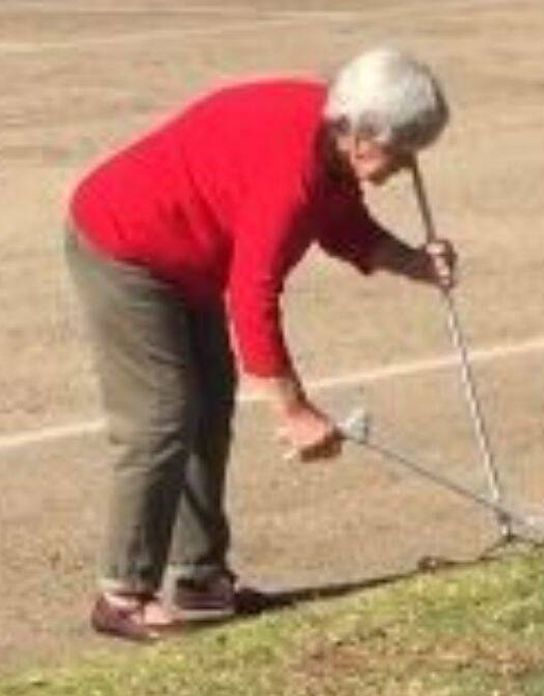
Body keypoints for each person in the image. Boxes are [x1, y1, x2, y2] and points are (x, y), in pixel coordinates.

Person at [65, 46, 455, 641]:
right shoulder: (291, 170)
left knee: (209, 408)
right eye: (401, 153)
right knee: (161, 417)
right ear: (360, 134)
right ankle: (121, 593)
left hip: (186, 261)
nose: (404, 168)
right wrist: (293, 409)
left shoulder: (329, 148)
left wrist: (412, 263)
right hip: (125, 247)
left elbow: (344, 226)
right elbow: (253, 297)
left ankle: (198, 577)